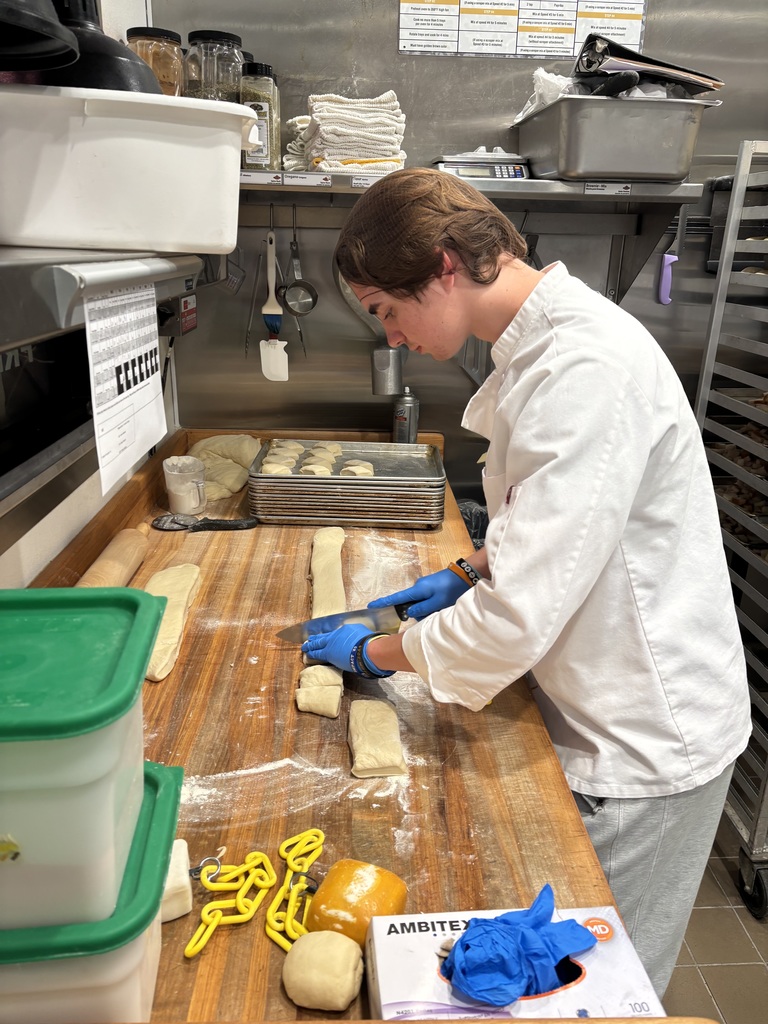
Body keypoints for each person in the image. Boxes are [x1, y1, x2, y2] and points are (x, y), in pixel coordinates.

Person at [302, 167, 751, 997]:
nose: (392, 339)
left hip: (644, 737)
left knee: (596, 991)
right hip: (602, 696)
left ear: (442, 265)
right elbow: (559, 518)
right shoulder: (542, 347)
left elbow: (515, 621)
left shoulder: (583, 366)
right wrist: (468, 569)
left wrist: (378, 650)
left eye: (385, 311)